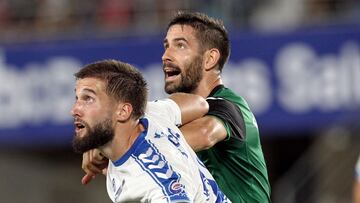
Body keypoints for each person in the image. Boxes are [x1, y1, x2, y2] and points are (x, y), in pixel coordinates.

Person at [82, 11, 271, 202]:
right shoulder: (167, 120)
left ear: (210, 59)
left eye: (180, 45)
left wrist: (117, 145)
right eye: (166, 46)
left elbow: (204, 134)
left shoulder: (230, 106)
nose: (166, 55)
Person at [71, 59, 230, 202]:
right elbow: (200, 103)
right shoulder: (149, 116)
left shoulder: (154, 180)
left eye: (88, 99)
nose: (75, 110)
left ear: (123, 112)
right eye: (77, 98)